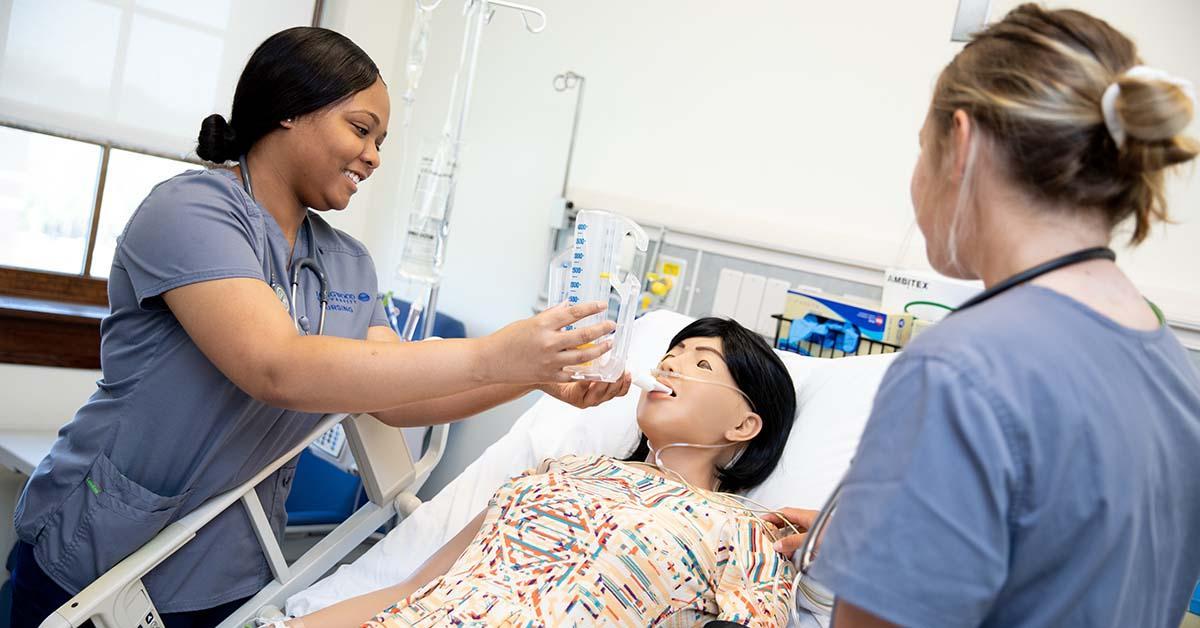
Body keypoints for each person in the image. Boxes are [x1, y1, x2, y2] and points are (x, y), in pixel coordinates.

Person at [10, 27, 628, 628]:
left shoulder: (345, 260)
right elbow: (275, 366)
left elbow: (399, 400)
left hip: (232, 569)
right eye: (360, 129)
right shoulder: (191, 211)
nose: (374, 156)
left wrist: (533, 375)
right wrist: (496, 354)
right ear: (288, 110)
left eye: (379, 140)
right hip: (103, 549)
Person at [770, 5, 1200, 627]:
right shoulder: (1170, 367)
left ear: (961, 144)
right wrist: (884, 545)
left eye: (922, 148)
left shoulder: (959, 370)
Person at [275, 317, 799, 627]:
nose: (668, 366)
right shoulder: (560, 472)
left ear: (744, 424)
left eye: (701, 364)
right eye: (670, 354)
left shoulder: (746, 529)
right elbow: (415, 588)